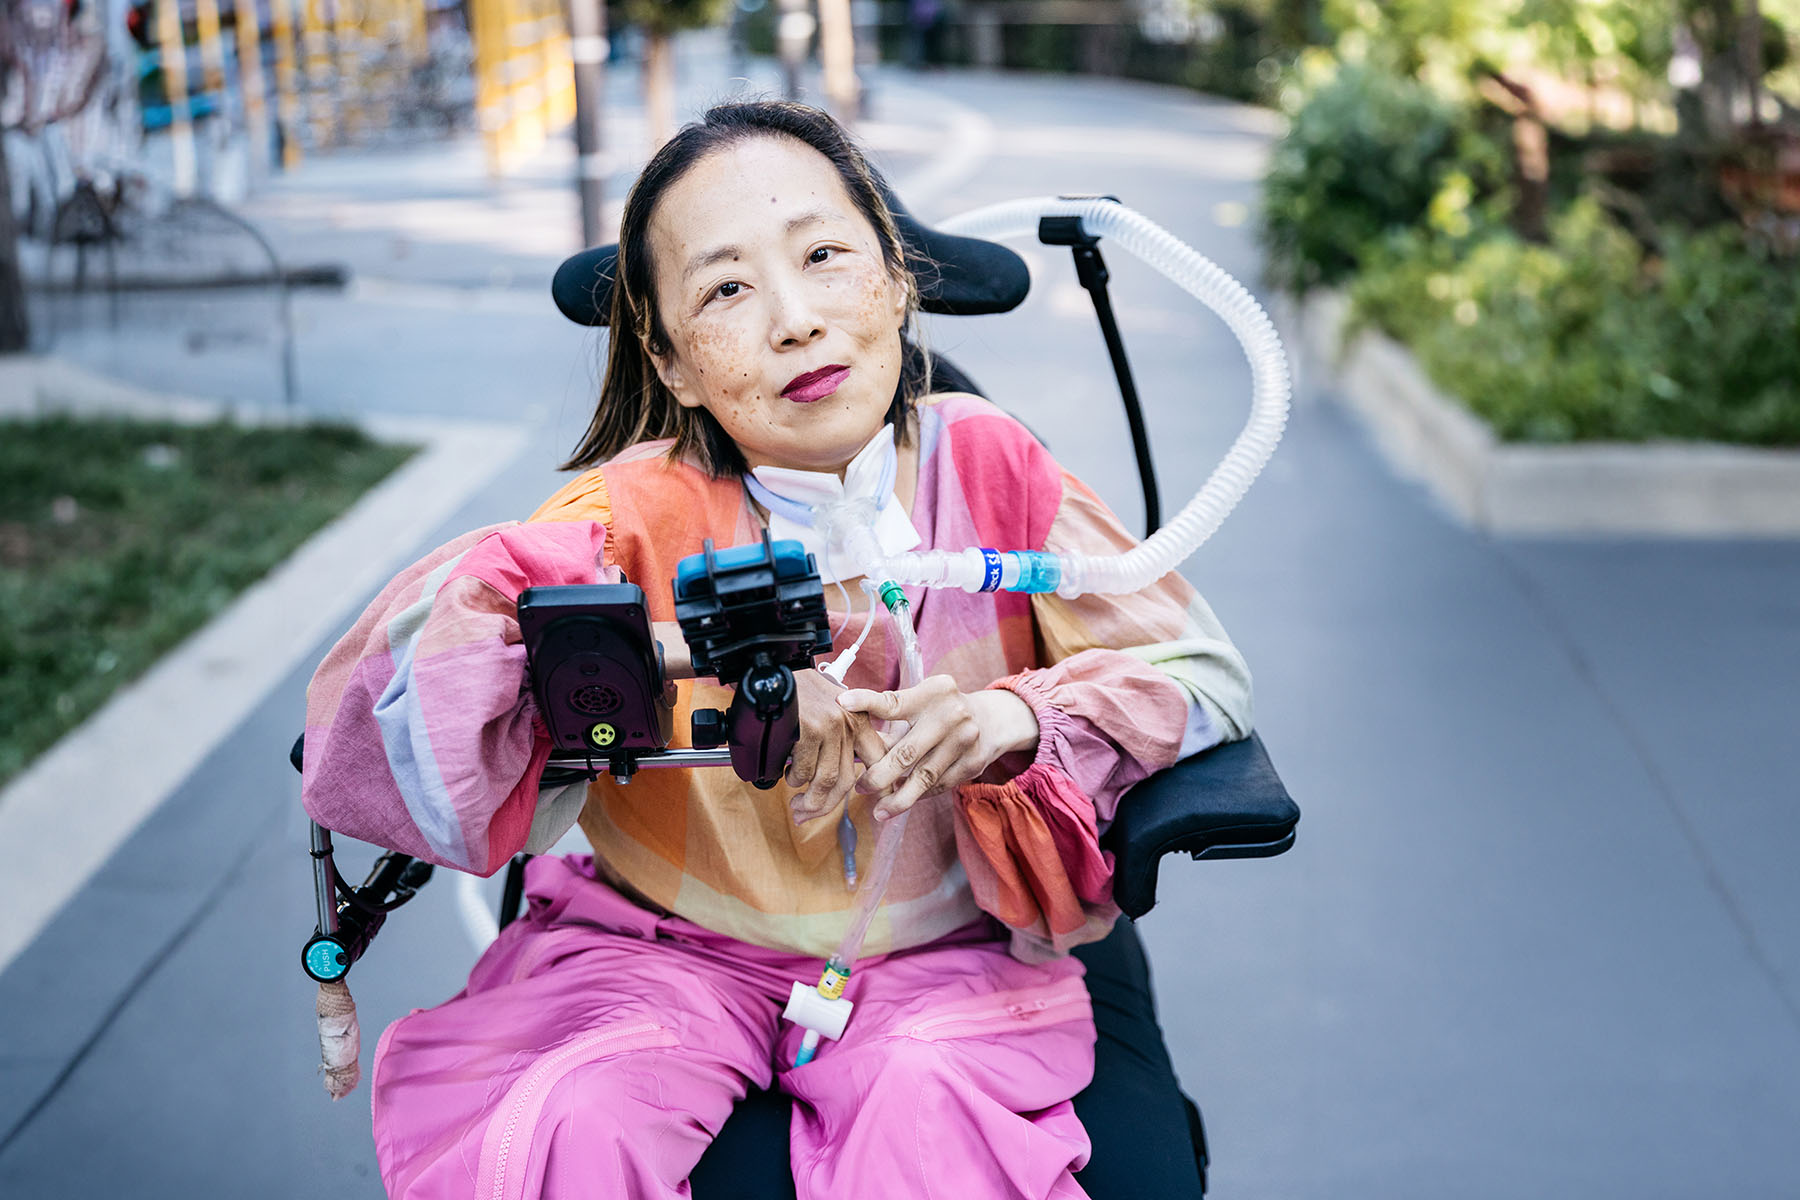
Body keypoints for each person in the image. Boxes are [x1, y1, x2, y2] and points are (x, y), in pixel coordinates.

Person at [313, 101, 1251, 1199]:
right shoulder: (623, 513)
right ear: (668, 362)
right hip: (658, 953)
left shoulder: (997, 471)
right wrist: (699, 657)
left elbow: (1200, 675)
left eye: (823, 257)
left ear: (898, 281)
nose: (796, 319)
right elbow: (407, 683)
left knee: (934, 1145)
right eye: (726, 288)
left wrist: (1018, 717)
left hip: (939, 962)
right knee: (564, 1129)